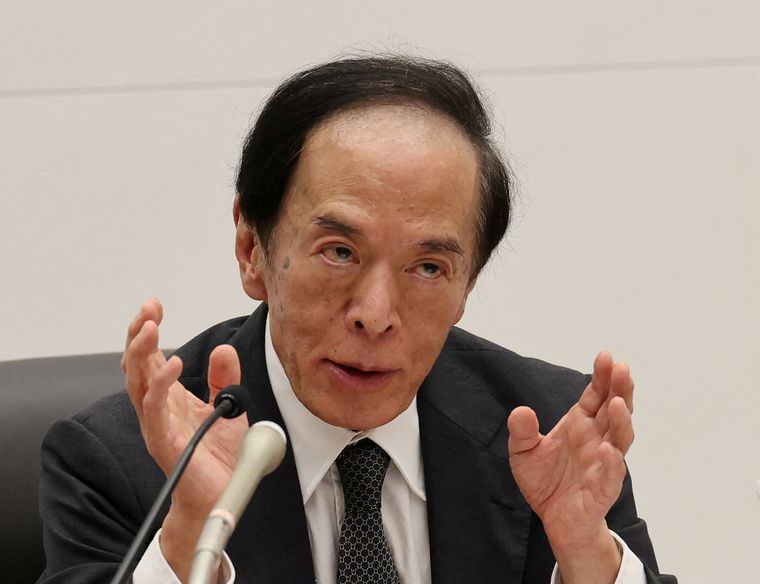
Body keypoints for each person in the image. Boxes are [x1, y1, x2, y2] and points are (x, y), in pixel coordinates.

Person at [38, 56, 676, 584]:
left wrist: (586, 556)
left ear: (468, 285)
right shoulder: (120, 463)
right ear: (251, 249)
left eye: (428, 267)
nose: (376, 316)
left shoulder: (548, 432)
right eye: (339, 252)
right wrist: (186, 535)